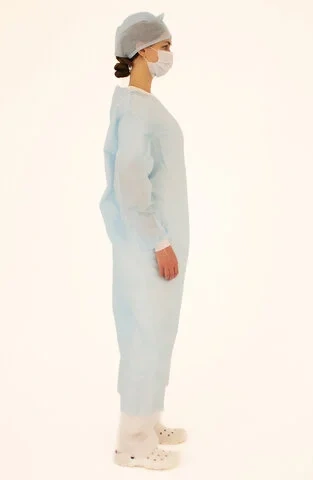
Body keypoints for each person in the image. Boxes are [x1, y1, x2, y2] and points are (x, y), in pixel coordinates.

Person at [99, 11, 190, 470]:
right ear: (141, 51)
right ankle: (132, 442)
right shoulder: (136, 110)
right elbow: (131, 184)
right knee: (142, 336)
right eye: (165, 45)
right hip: (147, 247)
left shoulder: (142, 106)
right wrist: (158, 241)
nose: (170, 53)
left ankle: (149, 421)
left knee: (157, 334)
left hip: (157, 244)